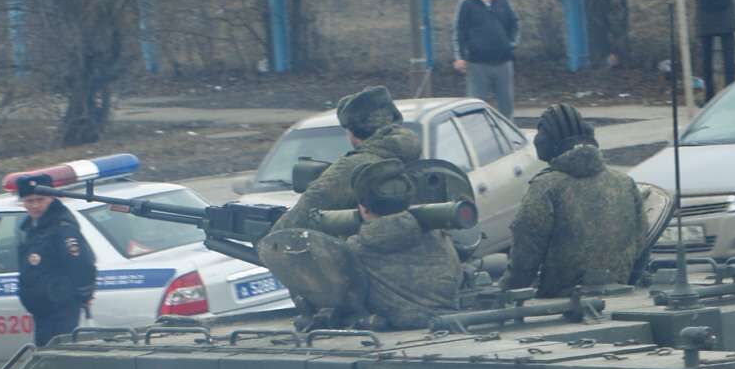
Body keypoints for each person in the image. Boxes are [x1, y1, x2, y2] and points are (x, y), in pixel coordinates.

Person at [258, 159, 461, 331]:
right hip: (450, 324)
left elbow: (331, 300)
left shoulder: (355, 249)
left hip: (394, 331)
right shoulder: (439, 237)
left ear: (363, 208)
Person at [505, 104, 645, 299]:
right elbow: (641, 243)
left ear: (545, 144)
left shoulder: (546, 187)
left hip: (561, 302)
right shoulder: (625, 183)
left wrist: (506, 292)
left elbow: (525, 256)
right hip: (621, 295)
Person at [275, 86, 421, 238]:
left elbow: (294, 224)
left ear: (352, 131)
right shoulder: (410, 154)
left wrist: (268, 243)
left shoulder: (353, 167)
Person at [15, 188, 97, 346]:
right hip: (41, 309)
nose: (35, 205)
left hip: (61, 308)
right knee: (45, 359)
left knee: (60, 358)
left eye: (40, 200)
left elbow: (81, 263)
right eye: (29, 201)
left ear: (51, 198)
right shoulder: (30, 228)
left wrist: (84, 294)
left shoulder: (63, 227)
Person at [451, 0, 519, 118]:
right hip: (477, 65)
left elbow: (514, 25)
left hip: (503, 63)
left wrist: (510, 45)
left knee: (506, 107)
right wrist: (459, 57)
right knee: (473, 108)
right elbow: (459, 32)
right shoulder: (466, 4)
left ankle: (508, 140)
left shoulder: (502, 1)